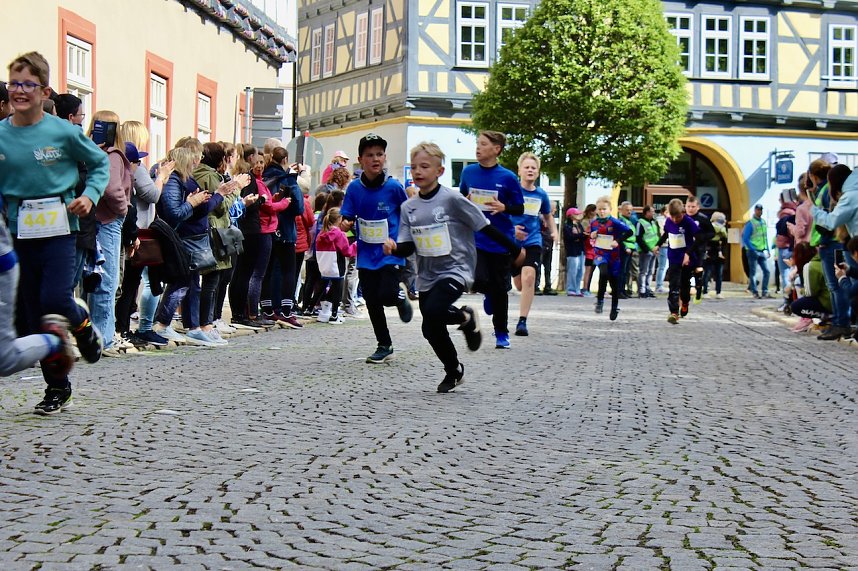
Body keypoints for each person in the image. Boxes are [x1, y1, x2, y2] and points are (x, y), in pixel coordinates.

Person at [0, 51, 109, 414]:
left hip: (61, 229)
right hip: (18, 232)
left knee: (54, 298)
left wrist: (89, 197)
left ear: (44, 91)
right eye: (14, 83)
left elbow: (98, 165)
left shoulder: (62, 131)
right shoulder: (1, 134)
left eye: (28, 84)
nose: (19, 91)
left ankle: (83, 326)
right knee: (33, 316)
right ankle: (57, 388)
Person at [383, 142, 523, 392]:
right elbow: (407, 246)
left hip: (457, 268)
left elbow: (484, 225)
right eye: (414, 167)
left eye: (425, 166)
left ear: (439, 171)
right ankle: (454, 369)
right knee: (429, 326)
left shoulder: (452, 199)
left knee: (435, 309)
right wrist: (394, 247)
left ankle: (465, 318)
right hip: (427, 273)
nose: (418, 172)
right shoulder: (408, 207)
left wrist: (514, 249)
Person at [340, 133, 413, 363]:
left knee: (387, 294)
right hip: (366, 253)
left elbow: (407, 214)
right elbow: (347, 218)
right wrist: (346, 224)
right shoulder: (354, 189)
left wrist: (401, 241)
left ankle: (400, 297)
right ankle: (384, 344)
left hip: (389, 252)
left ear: (385, 158)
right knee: (372, 300)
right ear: (360, 160)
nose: (375, 159)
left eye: (380, 154)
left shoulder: (394, 187)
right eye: (370, 155)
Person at [459, 130, 524, 348]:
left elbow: (520, 207)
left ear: (496, 149)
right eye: (477, 143)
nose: (478, 148)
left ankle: (501, 333)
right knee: (478, 280)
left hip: (501, 240)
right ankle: (487, 293)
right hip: (476, 239)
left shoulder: (507, 177)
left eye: (483, 144)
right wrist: (466, 201)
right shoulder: (468, 172)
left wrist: (504, 207)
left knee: (500, 290)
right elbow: (461, 198)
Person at [86, 110, 132, 355]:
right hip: (108, 220)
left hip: (90, 219)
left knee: (93, 280)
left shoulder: (88, 152)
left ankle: (97, 335)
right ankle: (104, 338)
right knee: (108, 279)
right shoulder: (113, 155)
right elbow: (112, 188)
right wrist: (123, 208)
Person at [510, 152, 556, 336]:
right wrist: (512, 230)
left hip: (533, 239)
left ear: (538, 172)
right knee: (520, 284)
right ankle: (514, 273)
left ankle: (522, 321)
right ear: (519, 170)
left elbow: (547, 215)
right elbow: (501, 213)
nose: (530, 170)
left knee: (529, 277)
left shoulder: (541, 194)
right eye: (527, 167)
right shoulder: (511, 191)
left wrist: (555, 231)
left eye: (533, 168)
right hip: (511, 241)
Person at [260, 146, 305, 328]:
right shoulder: (288, 180)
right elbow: (299, 208)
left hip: (266, 230)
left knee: (267, 270)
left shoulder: (262, 177)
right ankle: (287, 311)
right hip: (285, 230)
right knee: (288, 271)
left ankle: (267, 309)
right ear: (285, 159)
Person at [811, 163, 855, 340]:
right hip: (848, 244)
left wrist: (813, 210)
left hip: (840, 244)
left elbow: (831, 221)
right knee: (840, 285)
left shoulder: (850, 196)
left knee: (841, 285)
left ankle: (842, 324)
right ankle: (840, 323)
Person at [590, 196, 632, 320]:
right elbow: (592, 236)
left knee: (614, 282)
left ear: (610, 210)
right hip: (600, 254)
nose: (602, 212)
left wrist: (618, 241)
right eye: (599, 209)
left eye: (604, 209)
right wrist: (592, 235)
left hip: (614, 255)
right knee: (603, 273)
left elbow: (629, 232)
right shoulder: (594, 223)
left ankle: (614, 307)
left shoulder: (615, 222)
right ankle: (600, 300)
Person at [313, 207, 357, 324]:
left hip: (324, 265)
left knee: (325, 287)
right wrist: (357, 245)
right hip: (337, 264)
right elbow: (347, 251)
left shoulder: (322, 232)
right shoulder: (340, 234)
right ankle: (334, 315)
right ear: (340, 219)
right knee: (337, 289)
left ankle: (324, 312)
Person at [660, 199, 699, 324]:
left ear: (682, 213)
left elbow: (698, 239)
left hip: (686, 258)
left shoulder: (688, 221)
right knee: (673, 285)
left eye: (678, 217)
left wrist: (688, 253)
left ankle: (685, 302)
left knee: (684, 284)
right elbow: (666, 234)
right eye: (673, 217)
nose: (675, 220)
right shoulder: (668, 221)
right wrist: (657, 245)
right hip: (673, 257)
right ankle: (674, 313)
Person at [742, 204, 772, 299]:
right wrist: (752, 248)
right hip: (753, 251)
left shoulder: (763, 222)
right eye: (758, 210)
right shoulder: (751, 223)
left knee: (766, 271)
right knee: (753, 273)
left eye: (761, 210)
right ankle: (755, 292)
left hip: (762, 250)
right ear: (755, 210)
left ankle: (765, 291)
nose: (760, 211)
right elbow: (745, 238)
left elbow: (764, 237)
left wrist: (767, 248)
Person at [635, 205, 660, 298]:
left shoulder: (653, 222)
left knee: (651, 271)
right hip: (645, 251)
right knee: (643, 271)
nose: (653, 213)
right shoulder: (640, 222)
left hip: (654, 250)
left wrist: (657, 248)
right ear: (646, 212)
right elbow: (639, 238)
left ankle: (648, 288)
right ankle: (642, 290)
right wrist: (647, 249)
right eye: (652, 211)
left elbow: (656, 236)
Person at [703, 211, 728, 299]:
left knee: (717, 273)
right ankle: (706, 291)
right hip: (711, 251)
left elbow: (725, 239)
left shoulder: (721, 230)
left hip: (717, 252)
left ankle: (717, 291)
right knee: (709, 272)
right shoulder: (711, 228)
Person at [617, 201, 638, 297]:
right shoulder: (621, 221)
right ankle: (619, 290)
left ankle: (623, 290)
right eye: (627, 210)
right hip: (625, 248)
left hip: (631, 247)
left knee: (626, 271)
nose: (629, 212)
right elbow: (620, 236)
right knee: (622, 270)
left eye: (630, 210)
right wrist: (625, 247)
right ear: (622, 210)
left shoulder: (630, 221)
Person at [563, 207, 586, 296]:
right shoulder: (567, 226)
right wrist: (580, 235)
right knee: (573, 270)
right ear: (571, 216)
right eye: (576, 214)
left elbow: (582, 236)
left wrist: (580, 235)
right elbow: (570, 237)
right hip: (572, 251)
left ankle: (577, 289)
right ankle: (571, 288)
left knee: (580, 270)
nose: (579, 215)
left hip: (580, 249)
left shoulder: (579, 225)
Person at [581, 203, 597, 295]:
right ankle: (585, 288)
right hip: (588, 248)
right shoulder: (585, 221)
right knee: (588, 269)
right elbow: (585, 233)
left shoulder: (595, 221)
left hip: (594, 248)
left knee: (592, 269)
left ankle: (588, 287)